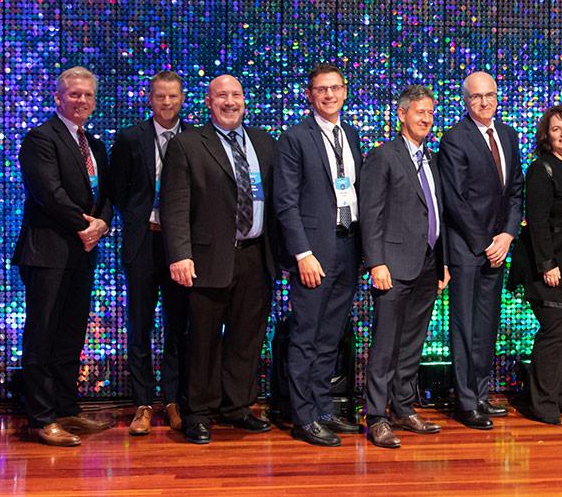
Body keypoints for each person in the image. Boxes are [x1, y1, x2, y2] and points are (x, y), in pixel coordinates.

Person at [160, 74, 279, 444]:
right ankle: (198, 412)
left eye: (236, 95)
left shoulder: (264, 142)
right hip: (207, 258)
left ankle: (237, 406)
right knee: (203, 340)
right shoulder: (188, 144)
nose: (230, 102)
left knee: (247, 336)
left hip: (256, 256)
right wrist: (180, 254)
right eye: (222, 96)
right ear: (208, 102)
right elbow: (175, 205)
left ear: (245, 100)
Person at [13, 66, 115, 446]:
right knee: (42, 335)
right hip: (47, 253)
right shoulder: (40, 138)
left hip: (82, 254)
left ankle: (65, 408)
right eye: (74, 94)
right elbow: (48, 192)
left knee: (70, 336)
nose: (82, 101)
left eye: (88, 95)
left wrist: (102, 223)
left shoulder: (95, 145)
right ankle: (41, 419)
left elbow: (107, 195)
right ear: (58, 97)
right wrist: (84, 226)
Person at [273, 64, 363, 446]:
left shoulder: (351, 135)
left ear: (344, 92)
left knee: (331, 336)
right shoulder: (295, 138)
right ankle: (304, 416)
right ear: (309, 95)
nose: (328, 95)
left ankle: (324, 408)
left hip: (348, 246)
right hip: (314, 252)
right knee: (306, 336)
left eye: (335, 88)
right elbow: (285, 203)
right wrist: (302, 253)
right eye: (320, 89)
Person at [360, 85, 450, 448]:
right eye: (419, 112)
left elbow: (435, 213)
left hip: (428, 265)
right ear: (401, 115)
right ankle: (377, 416)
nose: (426, 118)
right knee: (385, 344)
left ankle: (402, 405)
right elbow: (371, 214)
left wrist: (442, 263)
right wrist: (376, 262)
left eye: (430, 112)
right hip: (393, 266)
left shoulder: (432, 158)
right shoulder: (384, 156)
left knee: (412, 343)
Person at [439, 71, 524, 430]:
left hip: (498, 248)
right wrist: (486, 242)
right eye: (476, 97)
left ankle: (482, 393)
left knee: (487, 325)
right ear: (465, 100)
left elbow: (516, 190)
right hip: (468, 248)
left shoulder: (507, 134)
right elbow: (455, 200)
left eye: (489, 95)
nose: (484, 102)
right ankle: (465, 400)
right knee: (464, 326)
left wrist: (506, 236)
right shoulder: (454, 138)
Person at [109, 70, 190, 435]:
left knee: (178, 325)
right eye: (161, 96)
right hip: (143, 241)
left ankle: (173, 399)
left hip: (179, 245)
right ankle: (142, 403)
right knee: (139, 325)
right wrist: (138, 218)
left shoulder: (194, 136)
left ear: (182, 98)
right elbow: (117, 189)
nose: (167, 103)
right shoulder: (130, 137)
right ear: (150, 98)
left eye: (173, 96)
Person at [509, 106, 562, 425]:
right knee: (554, 330)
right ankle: (542, 403)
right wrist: (547, 263)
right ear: (546, 135)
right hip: (552, 264)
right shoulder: (541, 168)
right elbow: (538, 221)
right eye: (556, 128)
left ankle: (559, 395)